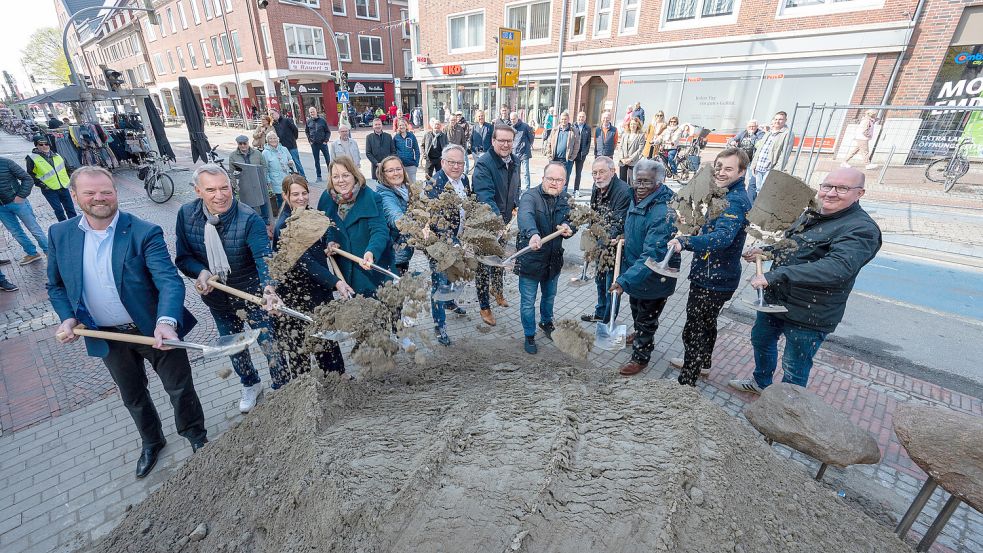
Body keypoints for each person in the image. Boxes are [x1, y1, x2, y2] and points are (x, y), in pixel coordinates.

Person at [48, 166, 207, 478]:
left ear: (115, 193)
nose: (99, 198)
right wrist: (67, 318)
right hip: (107, 335)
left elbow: (169, 281)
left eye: (106, 191)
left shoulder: (143, 231)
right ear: (75, 195)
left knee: (180, 388)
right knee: (132, 394)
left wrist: (166, 321)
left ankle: (195, 436)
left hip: (153, 329)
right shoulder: (60, 234)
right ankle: (151, 441)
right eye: (90, 193)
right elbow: (55, 285)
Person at [729, 167, 881, 393]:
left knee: (794, 364)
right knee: (761, 340)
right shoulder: (813, 213)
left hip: (811, 313)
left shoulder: (862, 229)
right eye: (827, 186)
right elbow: (795, 246)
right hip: (776, 300)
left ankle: (788, 408)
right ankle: (760, 384)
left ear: (860, 193)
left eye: (842, 188)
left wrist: (776, 275)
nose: (830, 193)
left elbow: (837, 268)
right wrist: (768, 252)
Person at [175, 165, 287, 413]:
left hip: (253, 295)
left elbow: (264, 257)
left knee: (270, 344)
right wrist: (201, 272)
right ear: (198, 191)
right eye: (211, 189)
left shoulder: (249, 218)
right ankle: (250, 384)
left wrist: (269, 288)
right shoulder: (186, 215)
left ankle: (283, 386)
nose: (220, 195)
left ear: (231, 187)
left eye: (224, 188)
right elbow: (183, 258)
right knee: (234, 347)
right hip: (218, 300)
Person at [666, 148, 753, 386]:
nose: (721, 172)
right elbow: (716, 229)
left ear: (742, 171)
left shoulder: (733, 200)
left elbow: (723, 238)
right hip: (718, 274)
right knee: (708, 323)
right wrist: (697, 228)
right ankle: (703, 363)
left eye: (728, 168)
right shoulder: (724, 193)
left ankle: (686, 381)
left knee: (694, 328)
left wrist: (686, 241)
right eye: (719, 167)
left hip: (713, 278)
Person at [273, 175, 351, 378]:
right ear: (285, 196)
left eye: (304, 193)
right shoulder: (284, 226)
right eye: (295, 194)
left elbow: (325, 233)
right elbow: (304, 262)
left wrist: (330, 243)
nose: (301, 198)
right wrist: (336, 282)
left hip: (319, 290)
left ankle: (337, 379)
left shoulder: (311, 215)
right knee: (300, 345)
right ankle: (304, 388)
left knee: (327, 337)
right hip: (296, 293)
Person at [611, 159, 679, 376]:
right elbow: (637, 228)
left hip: (654, 275)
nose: (640, 186)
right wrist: (625, 236)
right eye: (637, 181)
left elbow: (652, 255)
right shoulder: (637, 198)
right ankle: (638, 333)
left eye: (646, 182)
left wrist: (623, 281)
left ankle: (641, 356)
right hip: (637, 270)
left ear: (659, 182)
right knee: (636, 308)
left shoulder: (662, 212)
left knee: (647, 317)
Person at [515, 163, 576, 354]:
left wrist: (568, 226)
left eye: (558, 180)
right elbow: (525, 216)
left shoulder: (565, 199)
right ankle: (529, 335)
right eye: (550, 178)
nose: (554, 183)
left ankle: (546, 322)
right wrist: (533, 234)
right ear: (543, 178)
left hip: (553, 261)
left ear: (564, 182)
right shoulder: (530, 197)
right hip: (531, 261)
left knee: (549, 297)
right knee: (528, 301)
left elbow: (572, 218)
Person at [319, 156, 392, 297]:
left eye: (345, 175)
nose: (341, 180)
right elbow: (325, 228)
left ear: (354, 174)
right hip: (344, 271)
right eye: (335, 176)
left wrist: (371, 251)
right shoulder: (326, 198)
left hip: (369, 270)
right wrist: (330, 241)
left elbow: (380, 230)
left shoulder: (370, 197)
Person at [473, 124, 521, 326]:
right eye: (501, 140)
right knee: (484, 266)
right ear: (493, 141)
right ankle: (485, 306)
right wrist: (497, 222)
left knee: (500, 260)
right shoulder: (484, 164)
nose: (505, 144)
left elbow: (515, 188)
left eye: (509, 141)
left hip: (505, 222)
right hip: (486, 224)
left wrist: (517, 205)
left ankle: (498, 291)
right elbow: (484, 195)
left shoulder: (515, 161)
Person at [426, 144, 471, 345]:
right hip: (440, 245)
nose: (456, 166)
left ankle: (451, 303)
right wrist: (452, 242)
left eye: (459, 163)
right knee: (440, 284)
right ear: (442, 162)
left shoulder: (465, 180)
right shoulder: (435, 184)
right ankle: (439, 326)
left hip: (459, 240)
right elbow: (435, 219)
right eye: (451, 162)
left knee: (454, 276)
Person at [580, 156, 631, 324]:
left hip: (615, 246)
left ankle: (608, 320)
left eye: (602, 172)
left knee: (611, 284)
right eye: (594, 173)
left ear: (613, 171)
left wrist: (600, 243)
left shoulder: (623, 191)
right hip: (600, 244)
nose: (597, 176)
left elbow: (618, 223)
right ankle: (600, 313)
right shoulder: (597, 188)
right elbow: (593, 215)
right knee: (599, 282)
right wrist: (591, 241)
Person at [1, 155, 49, 265]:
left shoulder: (6, 162)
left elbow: (27, 178)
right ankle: (32, 253)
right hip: (1, 209)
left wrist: (21, 196)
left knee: (34, 228)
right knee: (16, 232)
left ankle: (49, 252)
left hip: (17, 202)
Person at [375, 156, 414, 275]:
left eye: (398, 169)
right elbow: (396, 217)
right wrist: (418, 228)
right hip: (393, 255)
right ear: (383, 174)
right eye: (390, 170)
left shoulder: (405, 189)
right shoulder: (385, 195)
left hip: (404, 251)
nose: (396, 173)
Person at [26, 135, 77, 222]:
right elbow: (30, 174)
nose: (44, 146)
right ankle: (63, 226)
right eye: (41, 144)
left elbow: (67, 168)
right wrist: (42, 185)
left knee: (71, 209)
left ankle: (75, 224)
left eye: (46, 144)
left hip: (63, 186)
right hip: (49, 189)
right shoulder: (32, 158)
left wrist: (70, 179)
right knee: (59, 210)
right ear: (36, 145)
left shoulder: (57, 155)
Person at [749, 111, 795, 203]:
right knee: (758, 190)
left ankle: (763, 211)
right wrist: (754, 165)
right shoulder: (769, 132)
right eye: (776, 119)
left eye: (780, 119)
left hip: (770, 168)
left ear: (785, 120)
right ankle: (757, 211)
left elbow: (784, 154)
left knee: (766, 191)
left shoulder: (787, 134)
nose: (777, 121)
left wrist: (777, 170)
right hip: (759, 167)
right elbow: (760, 149)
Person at [229, 135, 273, 220]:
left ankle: (265, 219)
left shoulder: (257, 153)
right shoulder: (233, 156)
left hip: (258, 181)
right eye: (240, 144)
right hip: (245, 183)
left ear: (248, 143)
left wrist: (263, 179)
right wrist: (235, 185)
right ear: (238, 144)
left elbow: (264, 166)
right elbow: (232, 172)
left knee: (263, 201)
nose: (243, 145)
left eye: (244, 143)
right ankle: (253, 220)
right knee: (248, 203)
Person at [261, 131, 294, 215]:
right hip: (275, 180)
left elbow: (291, 159)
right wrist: (268, 182)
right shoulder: (265, 153)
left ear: (278, 139)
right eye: (270, 138)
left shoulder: (284, 149)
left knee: (291, 197)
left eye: (274, 138)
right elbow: (265, 169)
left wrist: (290, 162)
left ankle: (292, 214)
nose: (273, 140)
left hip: (287, 177)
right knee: (282, 200)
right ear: (267, 140)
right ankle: (282, 217)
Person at [543, 111, 580, 186]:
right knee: (553, 178)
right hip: (554, 159)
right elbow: (549, 143)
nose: (564, 121)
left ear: (568, 119)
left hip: (566, 160)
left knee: (564, 179)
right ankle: (552, 196)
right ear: (560, 119)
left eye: (565, 119)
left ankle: (563, 196)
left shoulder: (573, 131)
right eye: (562, 119)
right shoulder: (555, 130)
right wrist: (549, 155)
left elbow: (577, 145)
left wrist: (572, 157)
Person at [271, 109, 306, 178]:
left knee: (296, 162)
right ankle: (293, 177)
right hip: (282, 147)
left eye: (272, 113)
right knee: (287, 163)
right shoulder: (274, 124)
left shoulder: (286, 120)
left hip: (291, 146)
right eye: (270, 114)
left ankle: (303, 177)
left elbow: (295, 130)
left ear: (277, 113)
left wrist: (293, 139)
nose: (272, 115)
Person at [304, 107, 331, 183]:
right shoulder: (308, 121)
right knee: (317, 161)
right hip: (314, 144)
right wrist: (310, 140)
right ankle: (319, 176)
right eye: (310, 112)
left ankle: (331, 175)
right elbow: (307, 131)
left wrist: (326, 140)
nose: (312, 113)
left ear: (316, 111)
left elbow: (328, 131)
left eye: (313, 112)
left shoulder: (322, 121)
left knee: (328, 160)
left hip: (323, 143)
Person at [510, 112, 536, 190]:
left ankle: (527, 189)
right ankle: (518, 188)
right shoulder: (511, 128)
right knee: (516, 173)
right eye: (511, 119)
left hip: (524, 153)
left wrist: (526, 145)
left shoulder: (525, 126)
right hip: (515, 153)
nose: (512, 120)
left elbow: (531, 138)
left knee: (526, 173)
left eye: (514, 119)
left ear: (517, 118)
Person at [618, 117, 646, 184]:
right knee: (622, 181)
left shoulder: (641, 135)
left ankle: (631, 194)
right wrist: (622, 159)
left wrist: (630, 159)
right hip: (623, 161)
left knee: (632, 182)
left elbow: (640, 149)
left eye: (634, 124)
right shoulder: (625, 134)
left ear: (637, 125)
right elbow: (620, 147)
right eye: (631, 124)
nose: (632, 126)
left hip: (633, 161)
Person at [572, 111, 593, 196]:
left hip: (581, 154)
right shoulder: (572, 126)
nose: (581, 118)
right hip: (572, 153)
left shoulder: (587, 128)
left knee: (578, 173)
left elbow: (589, 141)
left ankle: (576, 189)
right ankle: (564, 188)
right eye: (580, 117)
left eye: (583, 117)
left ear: (585, 118)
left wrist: (585, 152)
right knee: (567, 172)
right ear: (577, 117)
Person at [394, 119, 421, 183]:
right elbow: (393, 151)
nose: (402, 127)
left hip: (411, 165)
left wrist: (416, 163)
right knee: (401, 184)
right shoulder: (396, 137)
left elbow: (416, 149)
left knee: (413, 185)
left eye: (403, 125)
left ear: (406, 126)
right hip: (400, 165)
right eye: (400, 125)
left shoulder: (411, 136)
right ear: (398, 127)